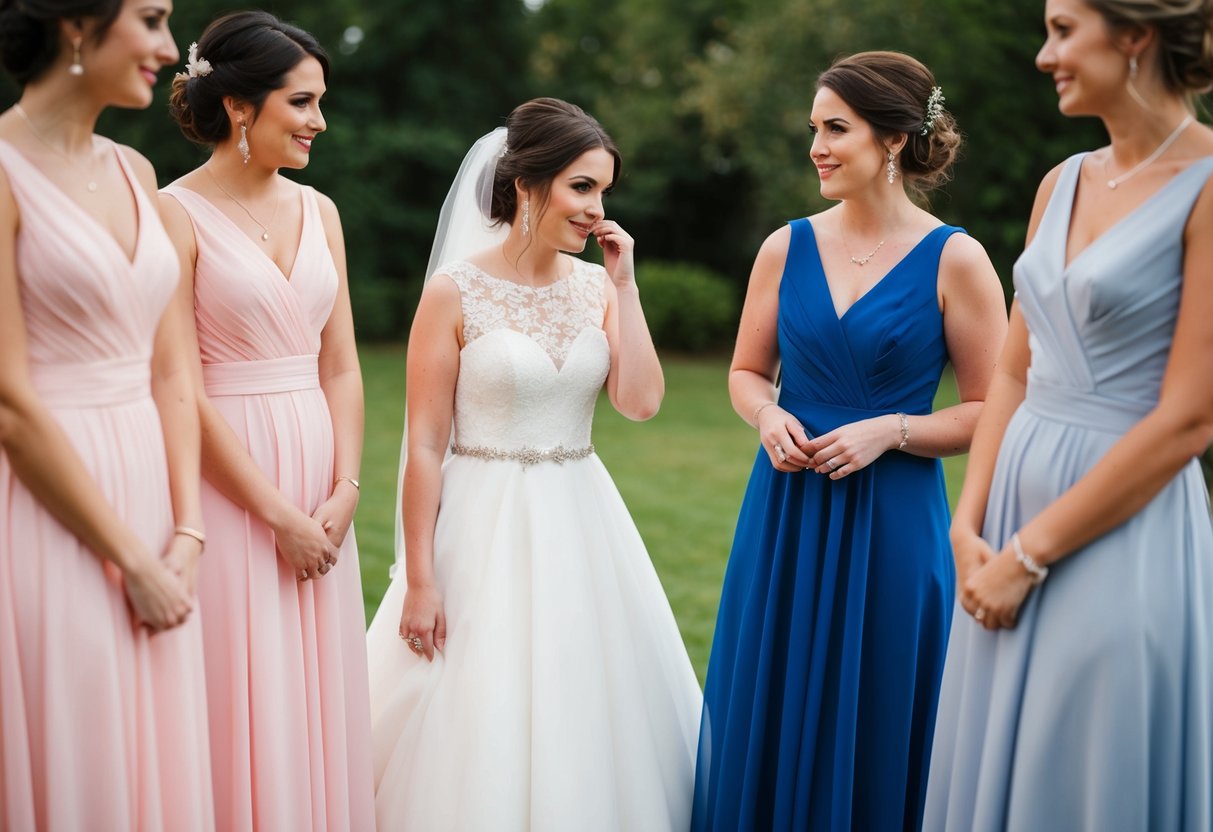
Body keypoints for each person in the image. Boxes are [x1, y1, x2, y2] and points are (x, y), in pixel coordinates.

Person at [363, 97, 702, 830]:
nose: (596, 209)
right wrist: (420, 577)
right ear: (526, 184)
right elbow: (423, 443)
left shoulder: (594, 286)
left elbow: (640, 402)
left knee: (583, 694)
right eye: (582, 187)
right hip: (479, 520)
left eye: (603, 190)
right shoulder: (454, 290)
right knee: (479, 699)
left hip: (581, 516)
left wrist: (624, 283)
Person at [692, 52, 1008, 831]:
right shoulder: (784, 246)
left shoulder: (956, 259)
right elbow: (743, 371)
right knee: (769, 692)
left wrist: (892, 430)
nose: (816, 147)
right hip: (786, 512)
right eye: (813, 129)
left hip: (895, 524)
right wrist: (766, 415)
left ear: (894, 139)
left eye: (835, 129)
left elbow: (994, 410)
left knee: (880, 705)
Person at [924, 1, 1213, 829]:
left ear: (1134, 35)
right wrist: (970, 523)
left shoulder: (1205, 185)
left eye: (1062, 29)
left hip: (1121, 516)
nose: (1045, 53)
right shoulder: (1062, 182)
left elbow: (1191, 418)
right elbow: (1013, 368)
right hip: (1008, 501)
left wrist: (1030, 555)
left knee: (1087, 757)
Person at [0, 0, 215, 828]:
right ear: (77, 25)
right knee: (78, 747)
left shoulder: (135, 171)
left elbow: (171, 371)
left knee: (151, 755)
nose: (170, 48)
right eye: (153, 19)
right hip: (52, 502)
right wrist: (133, 561)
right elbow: (10, 405)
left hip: (153, 500)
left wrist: (188, 533)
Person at [160, 12, 374, 830]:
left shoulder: (321, 211)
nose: (319, 121)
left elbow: (343, 363)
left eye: (321, 102)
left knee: (313, 683)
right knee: (237, 680)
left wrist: (345, 486)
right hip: (231, 481)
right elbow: (177, 386)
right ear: (241, 106)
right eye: (302, 101)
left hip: (322, 481)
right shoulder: (170, 215)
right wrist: (277, 514)